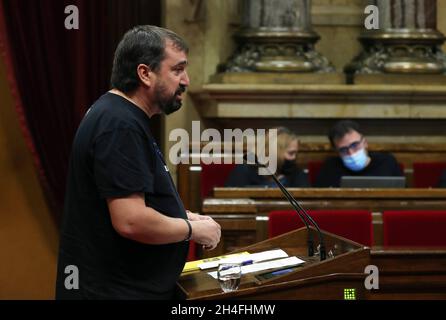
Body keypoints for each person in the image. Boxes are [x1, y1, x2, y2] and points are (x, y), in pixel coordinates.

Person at [55, 26, 221, 300]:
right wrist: (193, 230)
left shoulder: (119, 115)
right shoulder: (119, 125)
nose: (186, 80)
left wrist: (183, 216)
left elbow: (134, 199)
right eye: (177, 70)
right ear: (145, 73)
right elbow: (131, 221)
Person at [314, 120, 403, 187]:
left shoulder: (387, 162)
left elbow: (403, 197)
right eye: (343, 150)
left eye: (355, 145)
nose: (351, 153)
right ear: (337, 152)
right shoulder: (330, 167)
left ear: (365, 142)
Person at [225, 127, 310, 188]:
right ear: (274, 151)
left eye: (296, 153)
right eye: (291, 153)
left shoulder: (296, 172)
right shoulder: (246, 169)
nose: (294, 158)